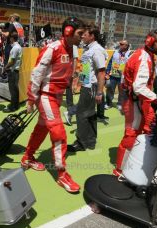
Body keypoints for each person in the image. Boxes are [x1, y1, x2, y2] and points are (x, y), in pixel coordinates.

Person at [21, 17, 85, 193]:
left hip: (55, 97)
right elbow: (36, 74)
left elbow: (66, 70)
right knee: (59, 134)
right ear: (68, 31)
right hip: (47, 97)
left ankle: (27, 157)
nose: (83, 37)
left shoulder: (73, 49)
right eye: (80, 33)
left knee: (42, 128)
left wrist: (72, 80)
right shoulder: (52, 48)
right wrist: (31, 98)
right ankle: (62, 174)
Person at [113, 29, 157, 176]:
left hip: (137, 101)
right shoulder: (143, 57)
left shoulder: (145, 54)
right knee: (132, 134)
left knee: (143, 131)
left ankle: (132, 166)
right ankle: (119, 170)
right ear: (150, 41)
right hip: (134, 101)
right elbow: (139, 87)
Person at [67, 24, 108, 152]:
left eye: (85, 34)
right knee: (89, 114)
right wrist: (78, 82)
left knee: (81, 114)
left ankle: (81, 143)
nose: (82, 36)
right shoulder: (89, 48)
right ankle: (90, 141)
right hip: (87, 85)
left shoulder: (96, 50)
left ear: (92, 36)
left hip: (91, 87)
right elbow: (87, 69)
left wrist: (100, 92)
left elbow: (101, 72)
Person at [105, 40, 131, 111]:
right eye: (120, 44)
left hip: (123, 77)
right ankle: (108, 103)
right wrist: (107, 72)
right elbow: (110, 62)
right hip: (113, 75)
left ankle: (120, 103)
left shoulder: (130, 54)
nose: (120, 45)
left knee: (122, 91)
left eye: (122, 44)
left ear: (126, 46)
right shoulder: (115, 52)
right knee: (110, 90)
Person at [3, 32, 22, 112]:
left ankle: (13, 107)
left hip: (13, 71)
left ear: (11, 38)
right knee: (15, 89)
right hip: (16, 70)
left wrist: (5, 67)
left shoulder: (15, 48)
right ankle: (16, 105)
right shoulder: (18, 47)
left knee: (13, 90)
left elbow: (12, 61)